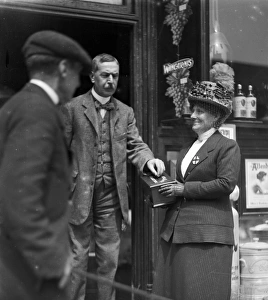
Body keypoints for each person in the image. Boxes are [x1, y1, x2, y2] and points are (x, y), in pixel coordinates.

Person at [61, 53, 165, 300]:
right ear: (92, 76)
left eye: (115, 75)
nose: (110, 80)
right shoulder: (73, 108)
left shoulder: (125, 112)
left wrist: (149, 160)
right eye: (105, 74)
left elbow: (136, 145)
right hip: (78, 193)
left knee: (109, 260)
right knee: (77, 259)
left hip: (111, 195)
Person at [0, 30, 91, 300]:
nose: (77, 84)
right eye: (77, 74)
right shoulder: (37, 111)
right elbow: (21, 197)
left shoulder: (21, 105)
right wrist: (52, 261)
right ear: (63, 69)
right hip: (29, 273)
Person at [152, 63, 241, 300]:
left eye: (200, 111)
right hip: (177, 232)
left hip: (206, 235)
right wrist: (160, 188)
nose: (193, 116)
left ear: (215, 116)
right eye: (194, 110)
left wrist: (183, 188)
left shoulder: (227, 146)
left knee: (200, 292)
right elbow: (180, 189)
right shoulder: (186, 149)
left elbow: (226, 184)